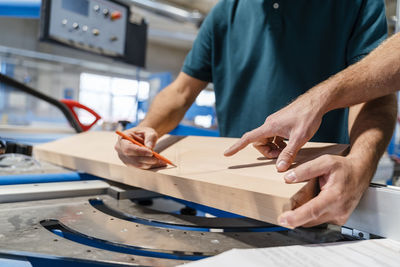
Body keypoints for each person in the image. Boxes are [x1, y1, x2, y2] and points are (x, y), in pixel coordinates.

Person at [115, 1, 397, 227]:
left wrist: (360, 164)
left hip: (317, 197)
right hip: (228, 200)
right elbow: (180, 91)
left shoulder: (358, 4)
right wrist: (147, 128)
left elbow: (375, 94)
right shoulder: (225, 12)